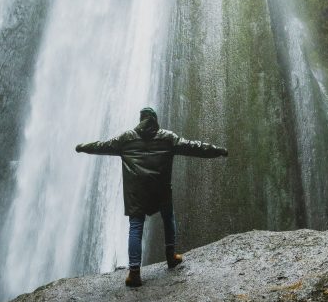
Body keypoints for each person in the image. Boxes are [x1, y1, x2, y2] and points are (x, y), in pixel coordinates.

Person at [75, 106, 228, 288]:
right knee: (168, 217)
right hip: (160, 189)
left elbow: (101, 146)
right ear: (155, 119)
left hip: (136, 193)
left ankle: (134, 273)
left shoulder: (126, 139)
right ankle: (171, 257)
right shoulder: (168, 137)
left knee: (136, 227)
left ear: (140, 120)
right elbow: (195, 147)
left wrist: (82, 147)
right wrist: (217, 150)